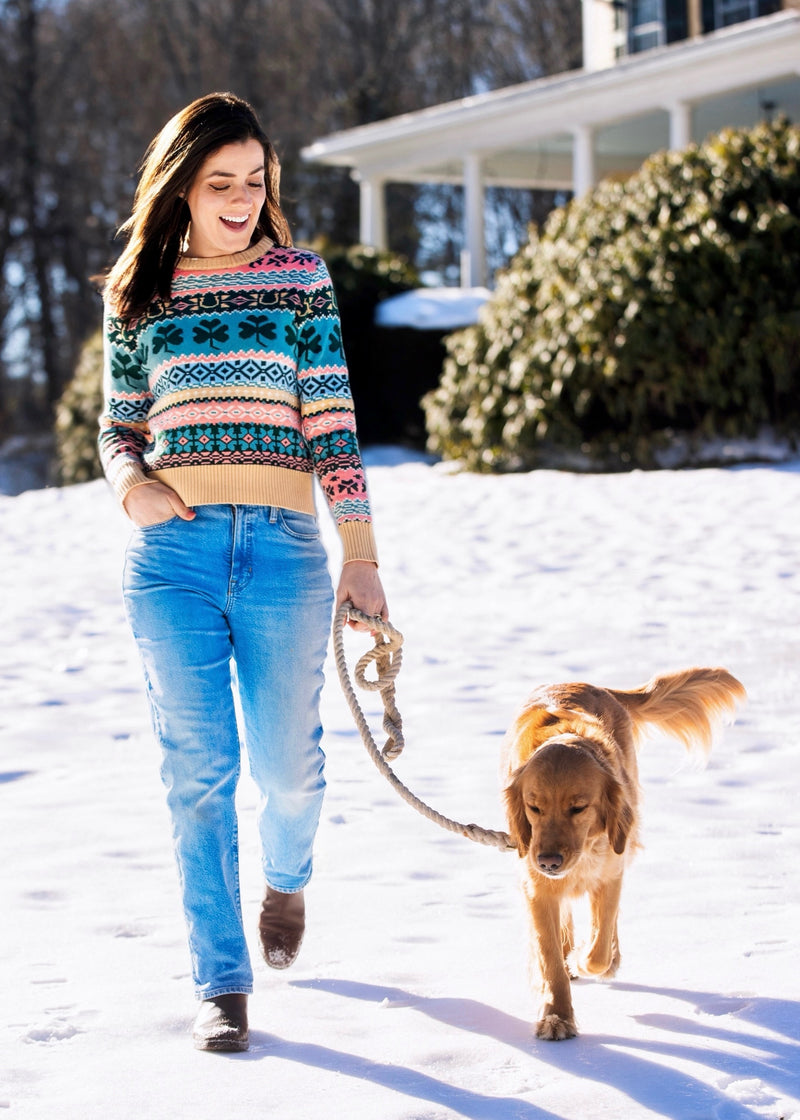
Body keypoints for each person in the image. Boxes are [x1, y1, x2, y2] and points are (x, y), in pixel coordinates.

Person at [98, 92, 388, 1053]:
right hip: (172, 556)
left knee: (287, 770)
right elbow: (119, 424)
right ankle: (221, 982)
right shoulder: (138, 293)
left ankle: (288, 877)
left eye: (254, 181)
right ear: (181, 187)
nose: (240, 198)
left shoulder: (300, 279)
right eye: (220, 182)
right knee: (199, 774)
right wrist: (131, 485)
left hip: (282, 550)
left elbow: (334, 422)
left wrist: (361, 558)